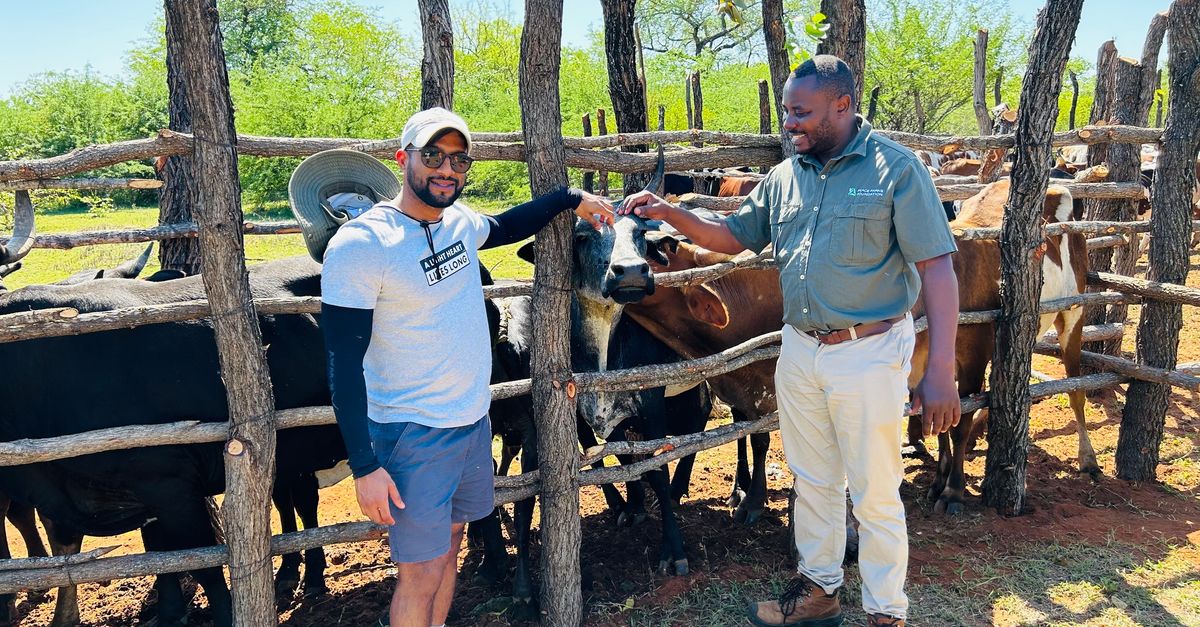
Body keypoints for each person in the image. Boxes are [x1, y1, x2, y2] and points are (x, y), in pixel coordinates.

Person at [620, 56, 961, 627]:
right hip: (801, 348)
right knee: (812, 478)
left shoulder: (894, 170)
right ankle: (820, 592)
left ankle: (885, 611)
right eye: (786, 111)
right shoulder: (785, 176)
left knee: (875, 491)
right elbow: (731, 237)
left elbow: (939, 270)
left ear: (843, 106)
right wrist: (669, 213)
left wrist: (942, 367)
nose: (790, 122)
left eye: (801, 112)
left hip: (869, 350)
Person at [314, 107, 614, 627]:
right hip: (412, 432)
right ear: (402, 158)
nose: (446, 169)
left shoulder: (457, 223)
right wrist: (363, 466)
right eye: (433, 156)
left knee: (450, 547)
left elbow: (506, 224)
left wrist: (569, 199)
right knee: (419, 572)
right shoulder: (364, 244)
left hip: (472, 424)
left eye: (458, 159)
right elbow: (342, 360)